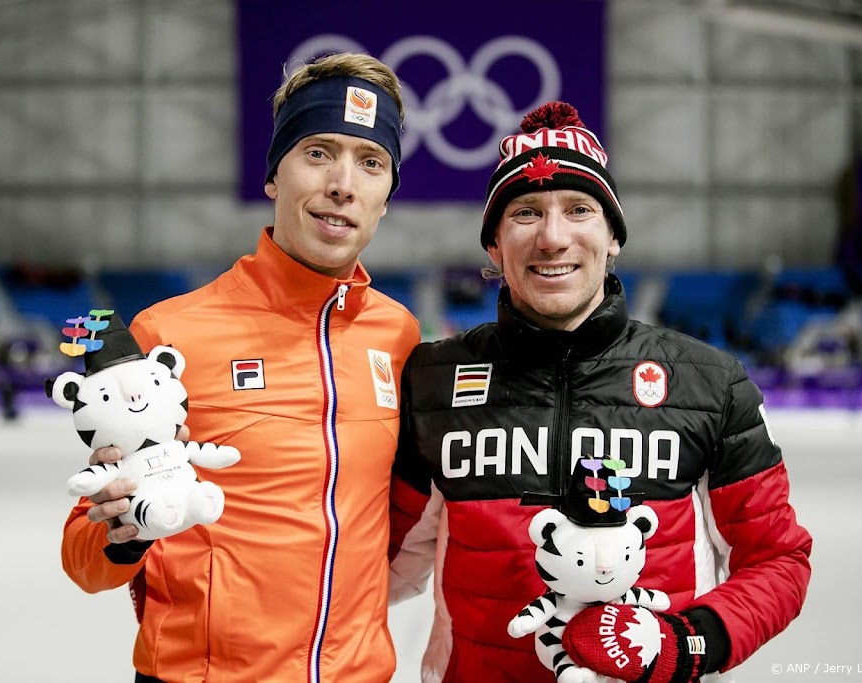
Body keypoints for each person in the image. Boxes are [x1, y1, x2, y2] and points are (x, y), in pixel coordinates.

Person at [388, 101, 812, 682]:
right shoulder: (433, 381)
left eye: (579, 210)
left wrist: (684, 645)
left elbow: (778, 559)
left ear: (612, 237)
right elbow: (374, 561)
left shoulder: (708, 382)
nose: (553, 237)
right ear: (494, 245)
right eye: (526, 212)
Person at [61, 52, 421, 683]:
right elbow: (84, 561)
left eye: (370, 162)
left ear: (386, 195)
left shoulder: (396, 335)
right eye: (317, 152)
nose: (343, 183)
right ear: (272, 176)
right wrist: (122, 532)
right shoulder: (168, 335)